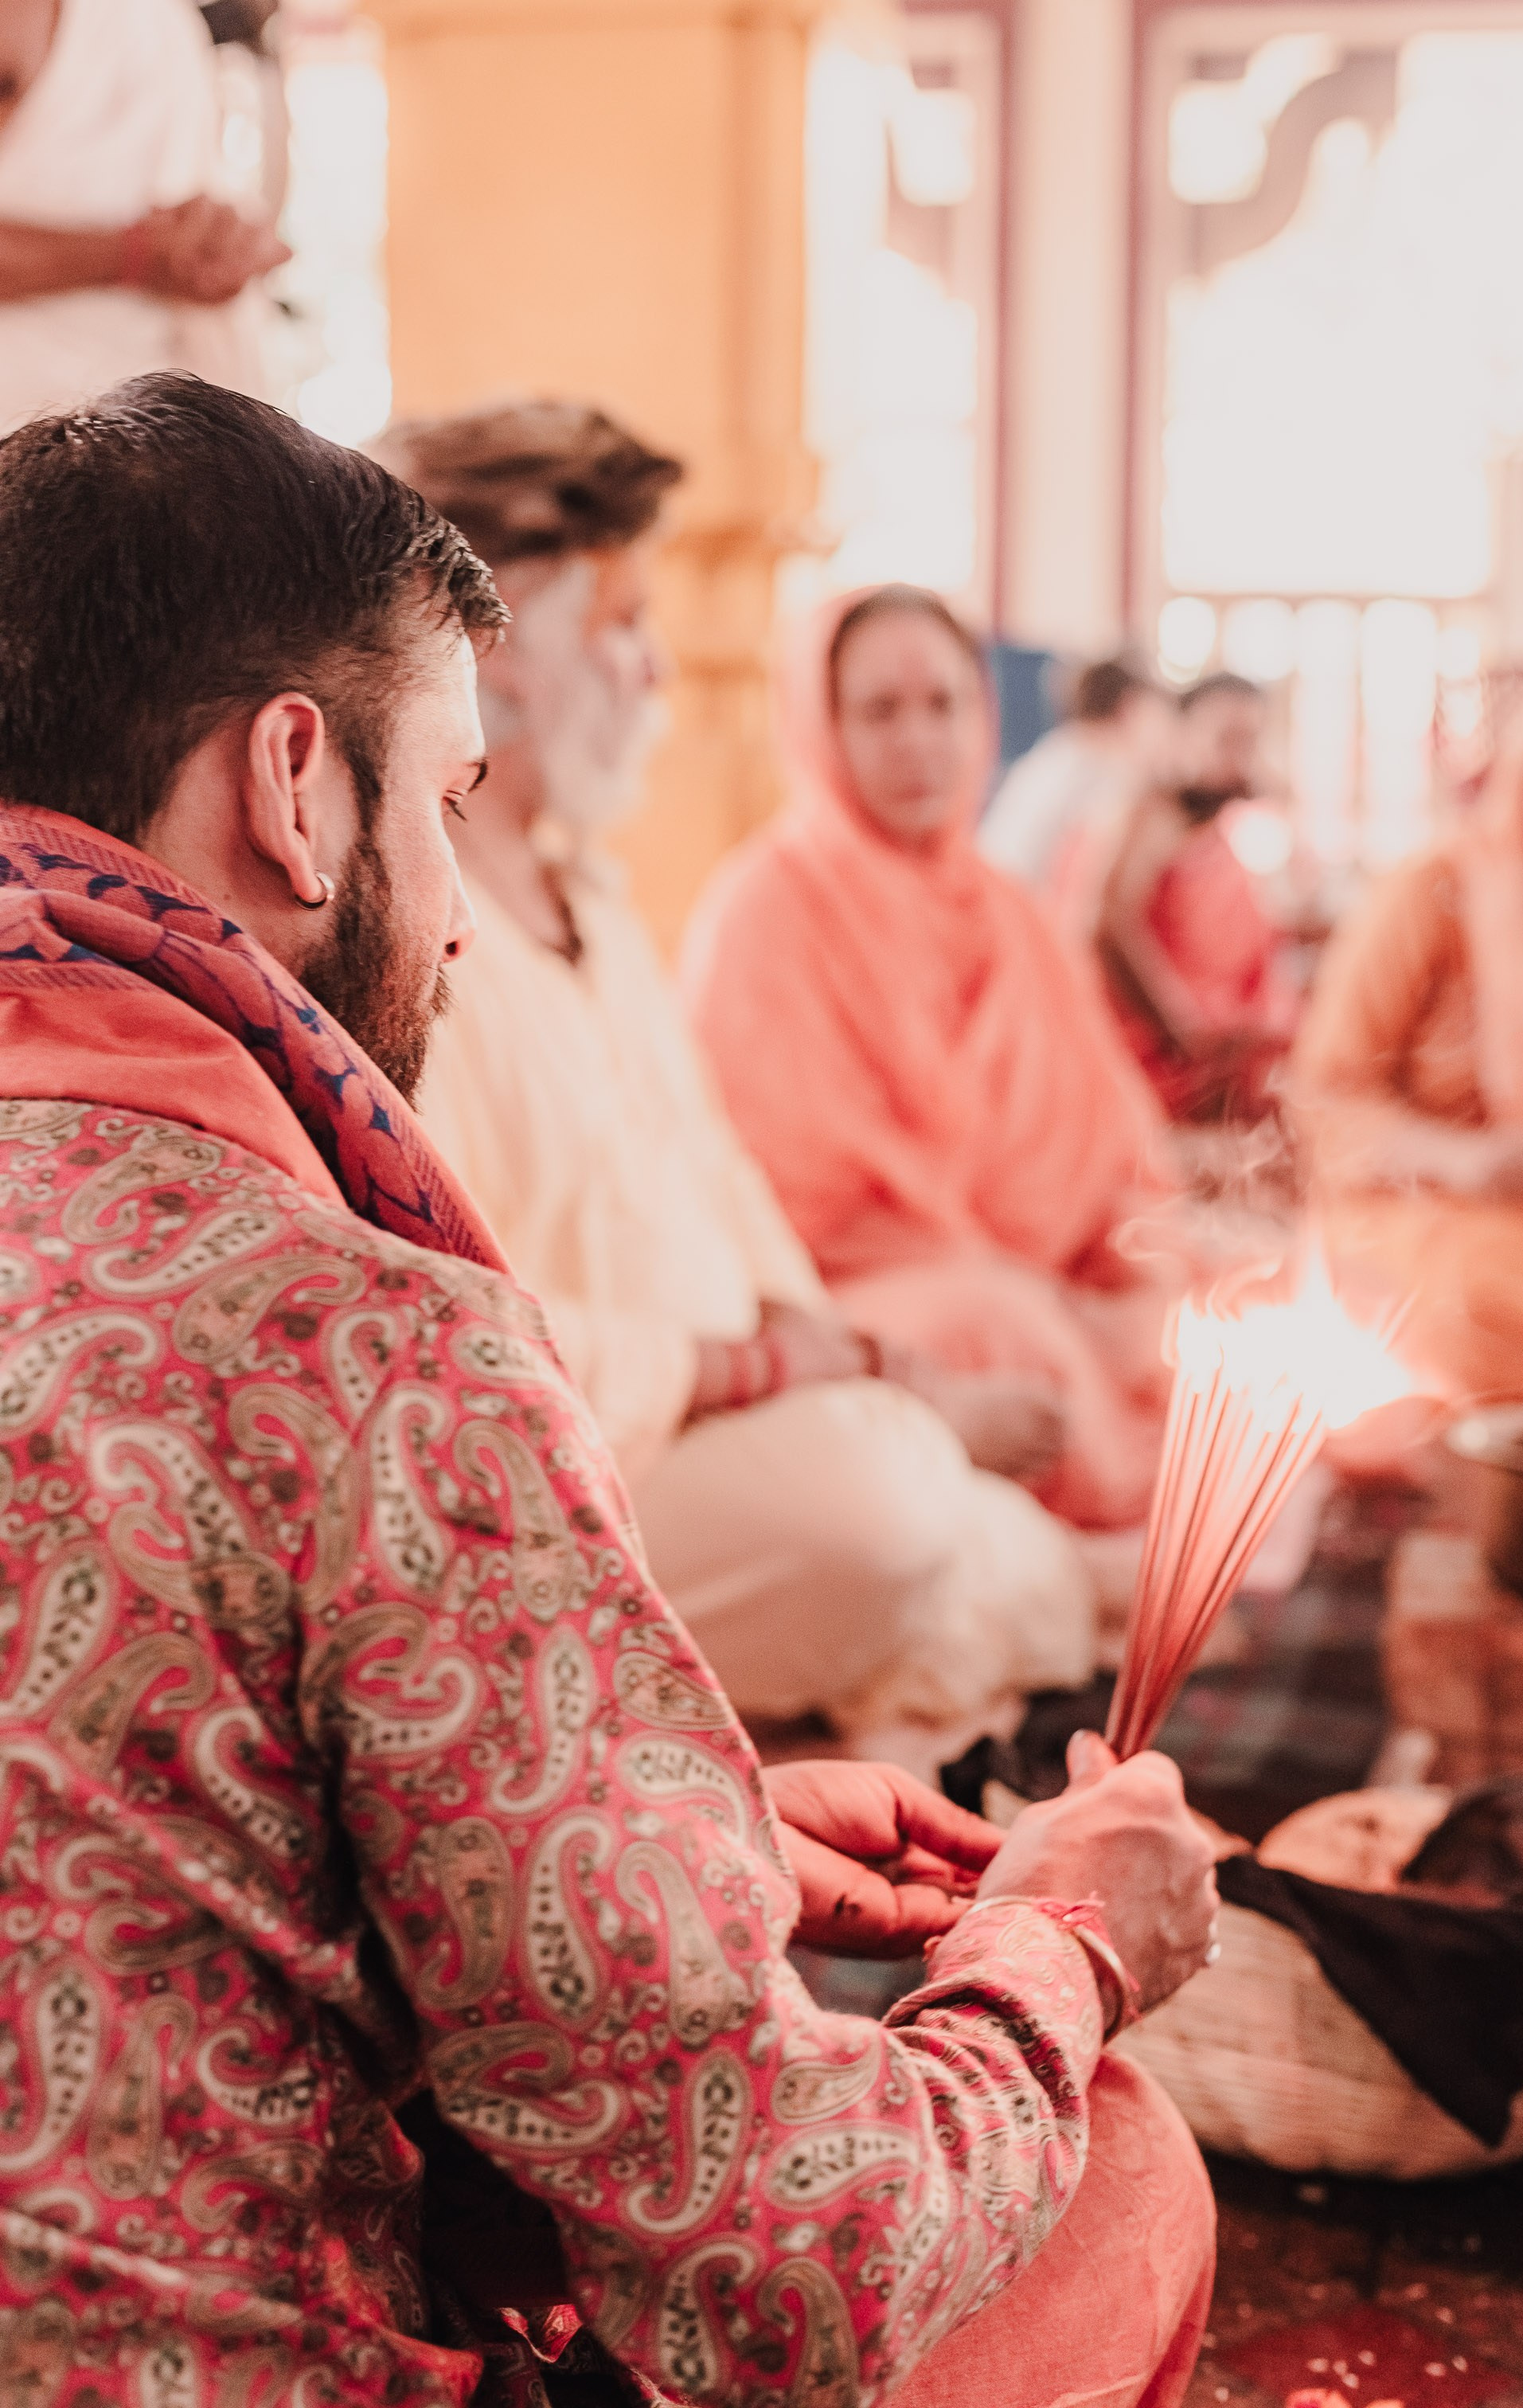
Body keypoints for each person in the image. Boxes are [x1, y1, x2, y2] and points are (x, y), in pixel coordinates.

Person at [0, 373, 1218, 2408]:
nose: (459, 912)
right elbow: (784, 2277)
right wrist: (1066, 1951)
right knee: (1116, 2186)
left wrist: (697, 1824)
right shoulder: (371, 1348)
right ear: (297, 783)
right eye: (445, 802)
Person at [374, 402, 1094, 1746]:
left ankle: (889, 1656)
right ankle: (870, 1678)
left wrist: (853, 1362)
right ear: (501, 650)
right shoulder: (417, 927)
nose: (657, 671)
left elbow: (722, 1182)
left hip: (726, 1420)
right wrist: (769, 1369)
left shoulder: (594, 890)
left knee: (922, 1491)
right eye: (622, 626)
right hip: (561, 1466)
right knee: (885, 1511)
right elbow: (456, 1331)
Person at [683, 583, 1186, 1532]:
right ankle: (1108, 1565)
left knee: (1226, 1302)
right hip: (853, 1308)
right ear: (821, 727)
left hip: (1050, 1285)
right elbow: (796, 1195)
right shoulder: (766, 911)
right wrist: (1030, 1289)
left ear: (984, 718)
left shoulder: (1013, 915)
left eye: (943, 706)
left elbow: (1116, 1145)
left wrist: (1137, 1272)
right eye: (880, 712)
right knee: (996, 1330)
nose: (919, 741)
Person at [1292, 666, 1523, 1406]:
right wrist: (1464, 1163)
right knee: (1483, 1304)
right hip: (1428, 1211)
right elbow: (1321, 1103)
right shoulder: (1434, 890)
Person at [0, 0, 287, 431]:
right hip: (28, 430)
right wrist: (135, 254)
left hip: (147, 426)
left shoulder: (161, 22)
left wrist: (226, 245)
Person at [1098, 671, 1298, 1122]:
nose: (1239, 758)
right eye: (1226, 739)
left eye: (1250, 741)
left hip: (1226, 1053)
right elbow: (1111, 923)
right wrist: (1183, 1030)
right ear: (1182, 734)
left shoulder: (1214, 827)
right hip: (1165, 1067)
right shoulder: (1152, 818)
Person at [981, 655, 1175, 940]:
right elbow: (1078, 898)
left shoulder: (1055, 757)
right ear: (1129, 709)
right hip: (1024, 933)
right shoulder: (1099, 776)